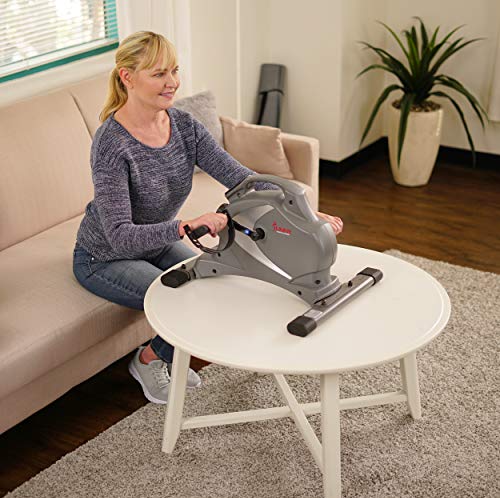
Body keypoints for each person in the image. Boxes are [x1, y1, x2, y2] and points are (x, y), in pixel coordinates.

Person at [73, 31, 344, 405]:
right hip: (104, 257)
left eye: (174, 71)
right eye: (159, 74)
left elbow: (241, 179)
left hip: (156, 244)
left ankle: (165, 353)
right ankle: (149, 360)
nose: (172, 83)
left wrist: (303, 212)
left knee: (218, 283)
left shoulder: (183, 126)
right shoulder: (112, 144)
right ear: (127, 77)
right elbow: (119, 235)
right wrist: (184, 227)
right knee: (188, 302)